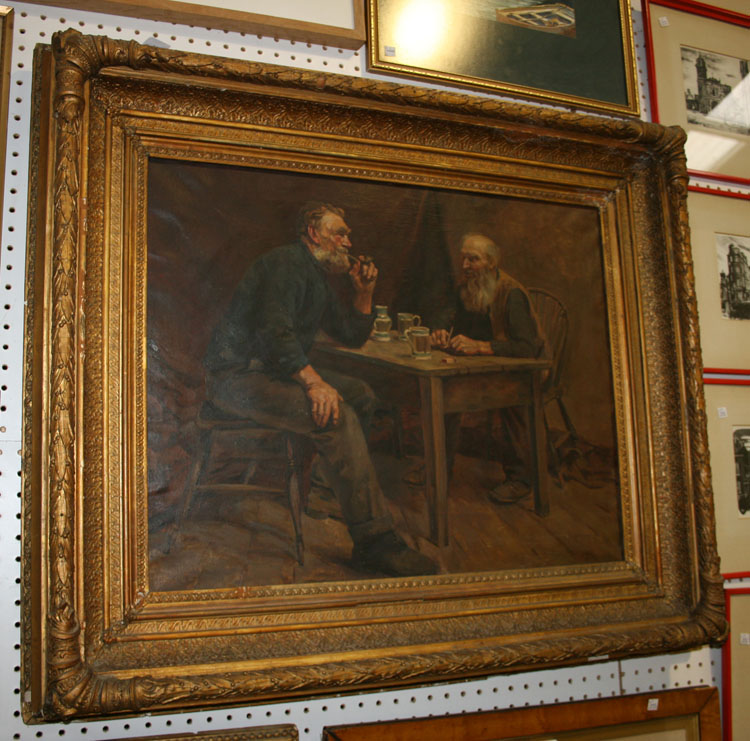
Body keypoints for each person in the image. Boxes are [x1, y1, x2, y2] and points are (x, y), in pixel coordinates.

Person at [203, 202, 437, 577]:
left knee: (359, 393)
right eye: (340, 233)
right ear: (314, 234)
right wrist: (313, 382)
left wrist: (363, 293)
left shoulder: (315, 277)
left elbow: (349, 335)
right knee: (337, 414)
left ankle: (328, 493)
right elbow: (274, 333)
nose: (349, 241)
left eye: (348, 234)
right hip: (237, 379)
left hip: (271, 374)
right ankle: (375, 543)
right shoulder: (285, 264)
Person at [431, 232, 546, 505]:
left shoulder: (512, 293)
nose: (466, 266)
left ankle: (520, 478)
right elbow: (447, 317)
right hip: (481, 368)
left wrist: (480, 347)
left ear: (492, 263)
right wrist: (438, 331)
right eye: (464, 259)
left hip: (518, 370)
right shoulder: (466, 288)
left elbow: (527, 348)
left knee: (513, 403)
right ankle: (439, 469)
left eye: (474, 259)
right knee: (443, 392)